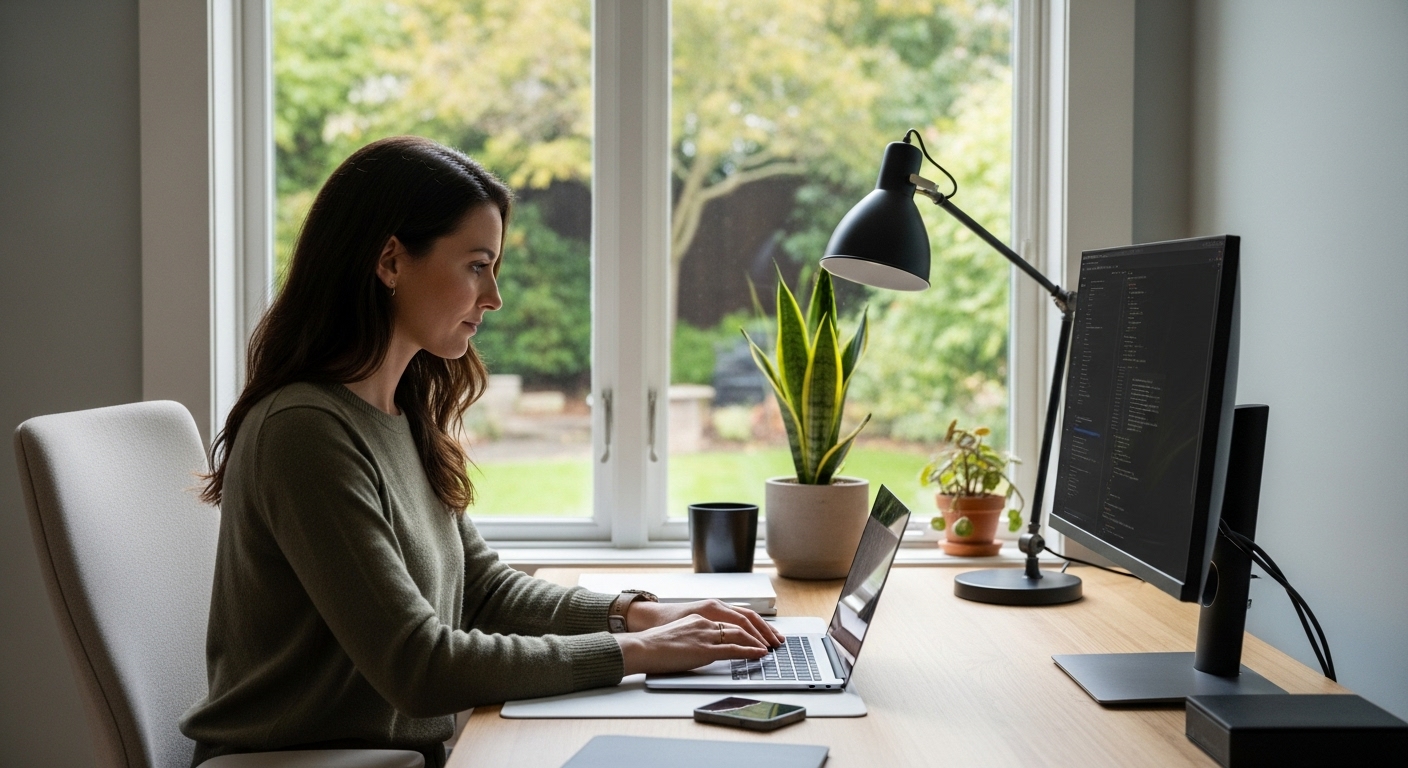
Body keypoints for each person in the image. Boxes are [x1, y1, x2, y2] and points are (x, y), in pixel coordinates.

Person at [180, 136, 783, 768]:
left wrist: (641, 615)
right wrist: (642, 653)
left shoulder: (400, 411)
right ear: (391, 261)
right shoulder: (304, 432)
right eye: (476, 265)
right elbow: (420, 667)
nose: (493, 296)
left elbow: (483, 591)